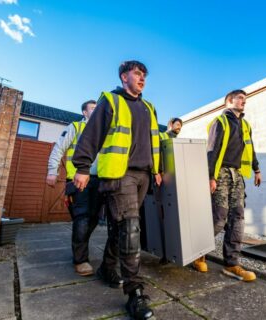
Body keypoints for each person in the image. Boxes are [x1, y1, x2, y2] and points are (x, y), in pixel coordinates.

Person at [72, 60, 161, 320]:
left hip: (144, 175)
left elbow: (154, 139)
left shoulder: (148, 107)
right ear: (124, 77)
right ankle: (135, 294)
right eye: (137, 73)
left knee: (122, 227)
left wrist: (157, 170)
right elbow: (92, 133)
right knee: (131, 227)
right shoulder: (110, 101)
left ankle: (107, 268)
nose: (142, 77)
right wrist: (82, 166)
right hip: (120, 174)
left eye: (144, 74)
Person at [46, 100, 122, 289]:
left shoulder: (105, 131)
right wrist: (52, 170)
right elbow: (59, 148)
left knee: (94, 219)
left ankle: (79, 246)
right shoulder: (76, 126)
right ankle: (80, 260)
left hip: (100, 180)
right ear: (84, 112)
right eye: (93, 109)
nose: (97, 112)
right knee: (82, 218)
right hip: (79, 180)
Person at [192, 89, 262, 282]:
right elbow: (211, 150)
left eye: (244, 99)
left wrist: (257, 169)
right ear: (228, 101)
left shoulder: (245, 125)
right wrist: (210, 176)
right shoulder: (220, 122)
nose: (243, 101)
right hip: (221, 173)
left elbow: (251, 148)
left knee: (237, 218)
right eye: (240, 98)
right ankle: (198, 252)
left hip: (237, 175)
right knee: (219, 217)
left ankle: (232, 264)